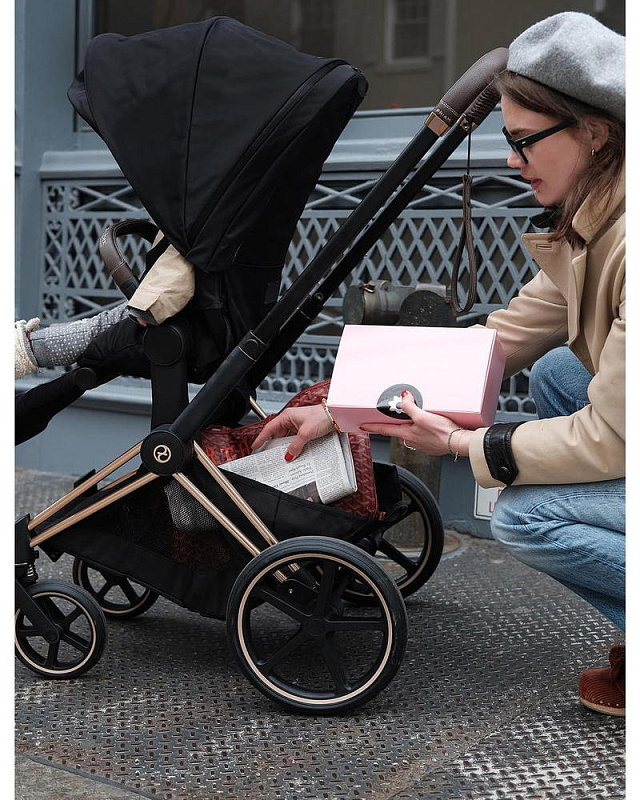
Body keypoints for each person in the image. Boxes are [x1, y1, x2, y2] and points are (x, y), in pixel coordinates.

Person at [251, 12, 626, 716]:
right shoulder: (594, 223)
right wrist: (338, 408)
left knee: (525, 515)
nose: (511, 161)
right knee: (557, 374)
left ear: (595, 132)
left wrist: (458, 444)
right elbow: (495, 342)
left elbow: (611, 437)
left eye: (524, 141)